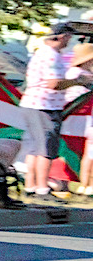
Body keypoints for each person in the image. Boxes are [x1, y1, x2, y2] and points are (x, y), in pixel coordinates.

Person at [20, 23, 92, 200]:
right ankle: (42, 189)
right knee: (45, 149)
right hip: (45, 105)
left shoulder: (42, 53)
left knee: (34, 148)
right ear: (60, 37)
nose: (69, 41)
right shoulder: (51, 57)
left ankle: (31, 185)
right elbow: (53, 83)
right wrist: (78, 81)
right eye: (68, 37)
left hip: (34, 104)